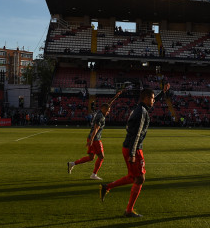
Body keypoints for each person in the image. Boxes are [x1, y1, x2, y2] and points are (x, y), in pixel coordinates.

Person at [100, 83, 170, 218]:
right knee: (140, 178)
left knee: (133, 177)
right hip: (134, 148)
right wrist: (133, 153)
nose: (154, 101)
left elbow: (136, 130)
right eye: (152, 98)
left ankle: (107, 187)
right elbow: (137, 133)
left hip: (129, 146)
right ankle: (128, 210)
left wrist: (162, 92)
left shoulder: (140, 109)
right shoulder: (142, 112)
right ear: (145, 98)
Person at [68, 90, 123, 180]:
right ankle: (94, 174)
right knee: (101, 157)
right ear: (104, 109)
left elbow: (108, 104)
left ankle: (72, 164)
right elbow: (96, 129)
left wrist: (116, 96)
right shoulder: (100, 117)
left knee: (91, 157)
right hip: (95, 139)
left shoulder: (99, 112)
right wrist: (91, 140)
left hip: (92, 138)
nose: (108, 112)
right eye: (108, 110)